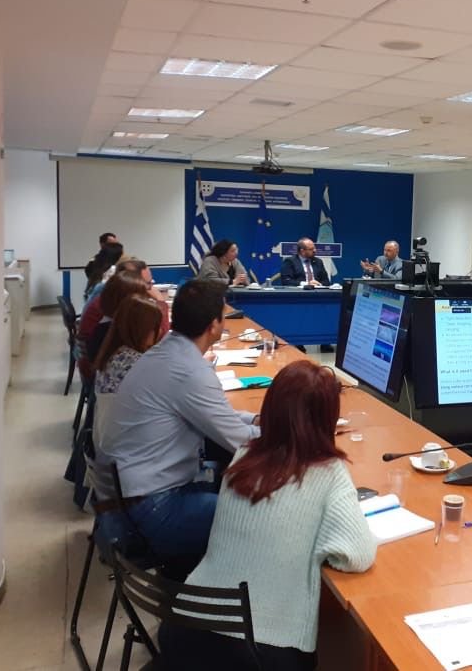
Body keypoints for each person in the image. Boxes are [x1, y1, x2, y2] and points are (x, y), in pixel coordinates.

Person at [157, 360, 376, 670]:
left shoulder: (244, 453)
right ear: (329, 418)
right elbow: (358, 555)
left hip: (184, 630)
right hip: (256, 653)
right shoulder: (330, 473)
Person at [95, 279, 261, 577]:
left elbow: (216, 416)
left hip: (133, 495)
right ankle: (215, 594)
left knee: (229, 478)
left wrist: (255, 420)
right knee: (254, 513)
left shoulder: (166, 352)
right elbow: (242, 443)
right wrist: (292, 430)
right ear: (214, 325)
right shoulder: (189, 371)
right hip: (153, 509)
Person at [90, 295, 165, 502]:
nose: (160, 333)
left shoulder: (114, 354)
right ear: (141, 330)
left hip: (111, 453)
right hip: (131, 464)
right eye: (155, 329)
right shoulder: (138, 365)